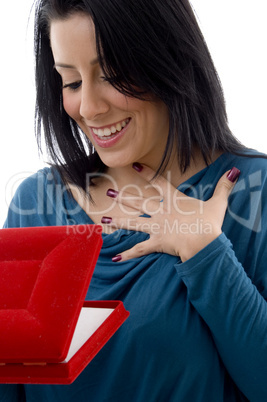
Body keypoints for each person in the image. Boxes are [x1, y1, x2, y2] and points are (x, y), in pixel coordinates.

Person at [1, 0, 267, 400]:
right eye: (71, 82)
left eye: (112, 75)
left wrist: (205, 252)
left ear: (169, 58)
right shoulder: (35, 203)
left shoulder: (253, 192)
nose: (89, 107)